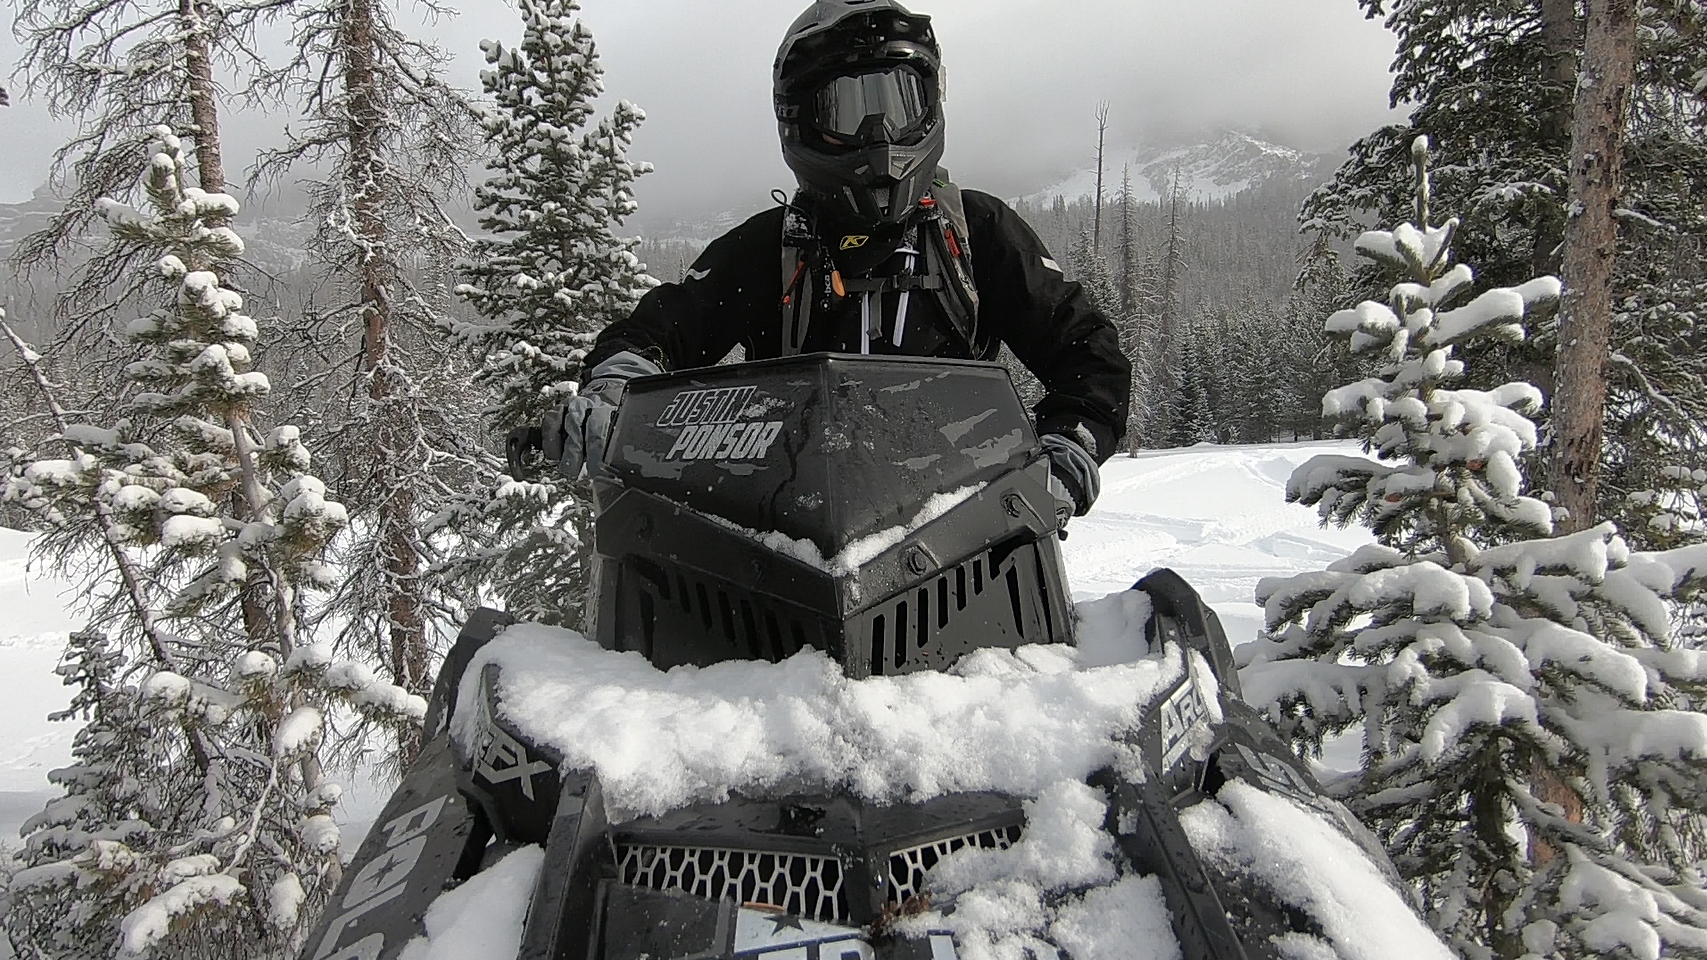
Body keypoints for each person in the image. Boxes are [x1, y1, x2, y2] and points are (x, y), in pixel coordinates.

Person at [534, 0, 1130, 522]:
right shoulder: (769, 250)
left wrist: (1069, 447)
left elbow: (1086, 348)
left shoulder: (976, 233)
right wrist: (616, 390)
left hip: (968, 540)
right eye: (847, 110)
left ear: (932, 101)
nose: (879, 135)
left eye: (898, 102)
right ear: (802, 122)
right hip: (790, 548)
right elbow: (662, 325)